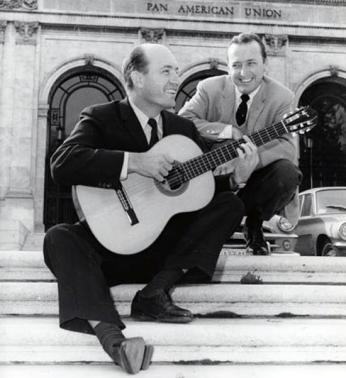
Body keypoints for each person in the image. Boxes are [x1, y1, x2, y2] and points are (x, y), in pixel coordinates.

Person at [43, 43, 257, 374]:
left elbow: (198, 193)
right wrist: (133, 162)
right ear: (137, 78)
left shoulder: (182, 129)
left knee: (229, 203)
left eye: (177, 71)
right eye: (166, 71)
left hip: (163, 256)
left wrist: (238, 178)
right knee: (59, 237)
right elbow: (62, 164)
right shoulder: (101, 117)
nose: (177, 79)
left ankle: (155, 294)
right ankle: (115, 342)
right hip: (109, 249)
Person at [179, 32, 302, 255]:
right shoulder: (209, 88)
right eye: (236, 65)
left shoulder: (282, 97)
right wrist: (227, 130)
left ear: (265, 64)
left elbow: (287, 147)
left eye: (251, 64)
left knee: (287, 173)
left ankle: (254, 222)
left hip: (255, 183)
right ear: (228, 66)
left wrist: (249, 162)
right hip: (212, 180)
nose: (243, 73)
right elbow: (182, 121)